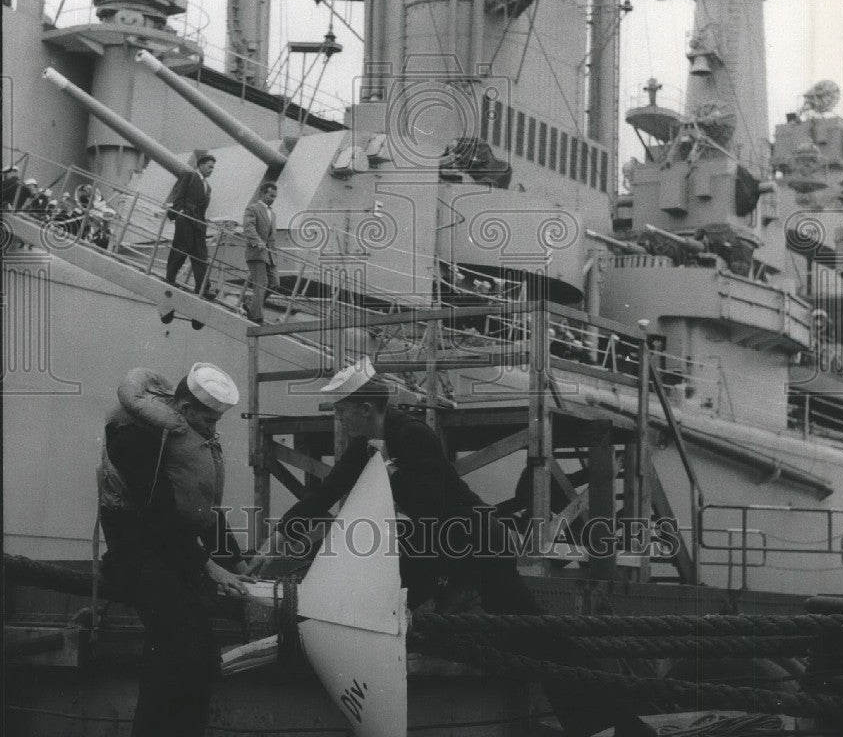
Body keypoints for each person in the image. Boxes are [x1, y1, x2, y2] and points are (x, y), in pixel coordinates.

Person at [248, 357, 654, 737]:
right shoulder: (368, 446)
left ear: (367, 409)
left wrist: (422, 577)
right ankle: (596, 725)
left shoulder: (411, 435)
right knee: (533, 641)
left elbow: (436, 511)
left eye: (343, 410)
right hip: (454, 548)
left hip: (480, 547)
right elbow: (328, 493)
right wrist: (277, 539)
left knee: (539, 638)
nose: (339, 417)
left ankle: (621, 725)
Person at [99, 363, 252, 737]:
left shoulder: (184, 434)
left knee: (200, 654)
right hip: (135, 549)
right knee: (177, 651)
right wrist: (209, 566)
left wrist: (235, 561)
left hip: (171, 550)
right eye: (209, 418)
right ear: (183, 410)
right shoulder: (134, 437)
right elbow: (157, 514)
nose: (214, 429)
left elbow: (199, 507)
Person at [165, 154, 216, 297]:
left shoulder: (208, 187)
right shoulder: (190, 176)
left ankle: (203, 288)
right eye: (209, 166)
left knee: (201, 255)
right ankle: (170, 278)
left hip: (198, 223)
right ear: (200, 165)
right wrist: (179, 212)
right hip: (186, 218)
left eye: (213, 168)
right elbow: (179, 195)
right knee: (180, 249)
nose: (211, 170)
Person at [242, 181, 279, 322]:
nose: (273, 198)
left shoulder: (273, 214)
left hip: (270, 255)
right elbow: (248, 228)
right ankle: (256, 315)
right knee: (261, 282)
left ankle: (252, 305)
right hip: (256, 252)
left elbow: (271, 236)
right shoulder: (252, 209)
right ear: (263, 193)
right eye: (270, 195)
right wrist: (258, 242)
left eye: (275, 196)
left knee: (274, 283)